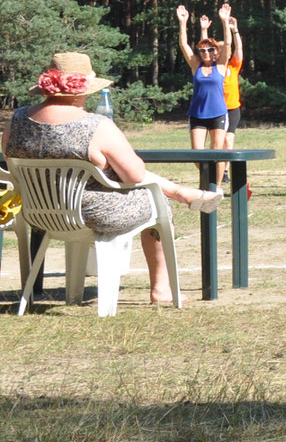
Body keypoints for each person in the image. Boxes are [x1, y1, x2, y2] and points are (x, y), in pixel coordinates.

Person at [5, 53, 222, 306]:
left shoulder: (16, 120)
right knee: (158, 199)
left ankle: (182, 192)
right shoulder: (96, 125)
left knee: (147, 188)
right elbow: (135, 175)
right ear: (82, 90)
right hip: (95, 214)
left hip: (38, 214)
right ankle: (161, 289)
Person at [174, 6, 231, 159]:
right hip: (197, 114)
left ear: (215, 52)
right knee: (197, 156)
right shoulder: (196, 66)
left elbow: (227, 45)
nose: (206, 52)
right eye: (202, 50)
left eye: (210, 49)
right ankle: (207, 182)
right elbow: (183, 45)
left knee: (216, 153)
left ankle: (216, 184)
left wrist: (225, 21)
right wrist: (182, 22)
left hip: (218, 113)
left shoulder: (220, 65)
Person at [217, 3, 244, 191]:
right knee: (218, 141)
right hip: (217, 109)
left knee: (228, 141)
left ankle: (226, 171)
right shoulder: (214, 68)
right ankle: (220, 169)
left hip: (232, 108)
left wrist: (234, 31)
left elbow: (238, 50)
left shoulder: (233, 66)